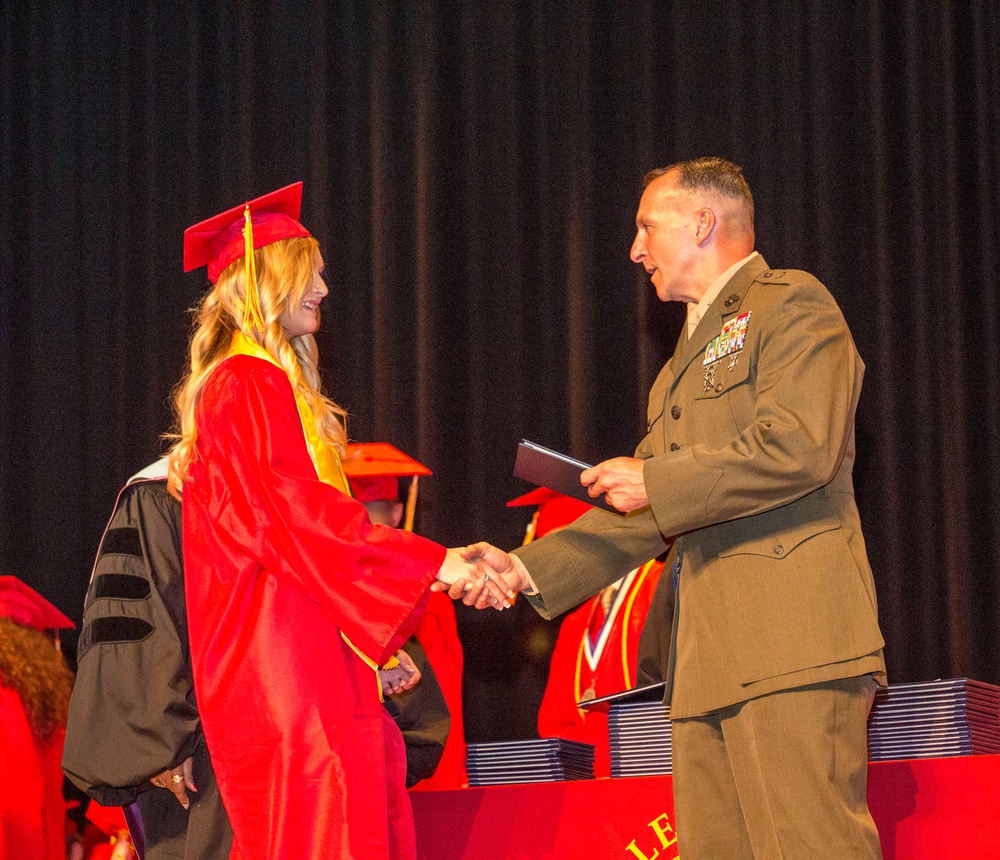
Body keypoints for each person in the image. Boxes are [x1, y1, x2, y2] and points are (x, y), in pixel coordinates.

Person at [454, 157, 886, 859]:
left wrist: (657, 481)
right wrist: (524, 570)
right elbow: (649, 511)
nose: (634, 249)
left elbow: (801, 447)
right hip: (705, 662)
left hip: (790, 646)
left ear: (702, 222)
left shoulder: (792, 304)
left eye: (645, 226)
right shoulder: (679, 366)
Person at [167, 182, 503, 860]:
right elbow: (298, 519)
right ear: (269, 279)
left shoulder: (244, 386)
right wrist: (435, 561)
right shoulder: (248, 384)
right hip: (287, 677)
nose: (324, 287)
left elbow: (278, 544)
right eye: (311, 273)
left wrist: (359, 650)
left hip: (299, 659)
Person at [509, 488, 667, 778]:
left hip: (655, 778)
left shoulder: (663, 589)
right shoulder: (575, 622)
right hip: (594, 794)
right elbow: (556, 723)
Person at [344, 442, 467, 790]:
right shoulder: (428, 590)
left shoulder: (330, 590)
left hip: (357, 777)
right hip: (424, 770)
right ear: (398, 513)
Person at [0, 575, 75, 860]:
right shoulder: (45, 696)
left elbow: (17, 785)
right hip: (45, 830)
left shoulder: (6, 689)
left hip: (15, 835)